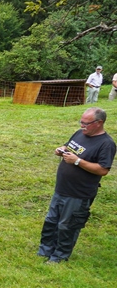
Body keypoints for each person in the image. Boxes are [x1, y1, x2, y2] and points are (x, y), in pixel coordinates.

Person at [37, 108, 115, 264]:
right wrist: (61, 150)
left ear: (99, 123)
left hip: (78, 194)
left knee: (67, 226)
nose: (82, 126)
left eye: (86, 123)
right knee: (51, 222)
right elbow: (68, 147)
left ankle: (59, 256)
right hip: (61, 189)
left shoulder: (106, 144)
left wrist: (77, 161)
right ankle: (45, 250)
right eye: (81, 122)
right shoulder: (80, 133)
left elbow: (103, 169)